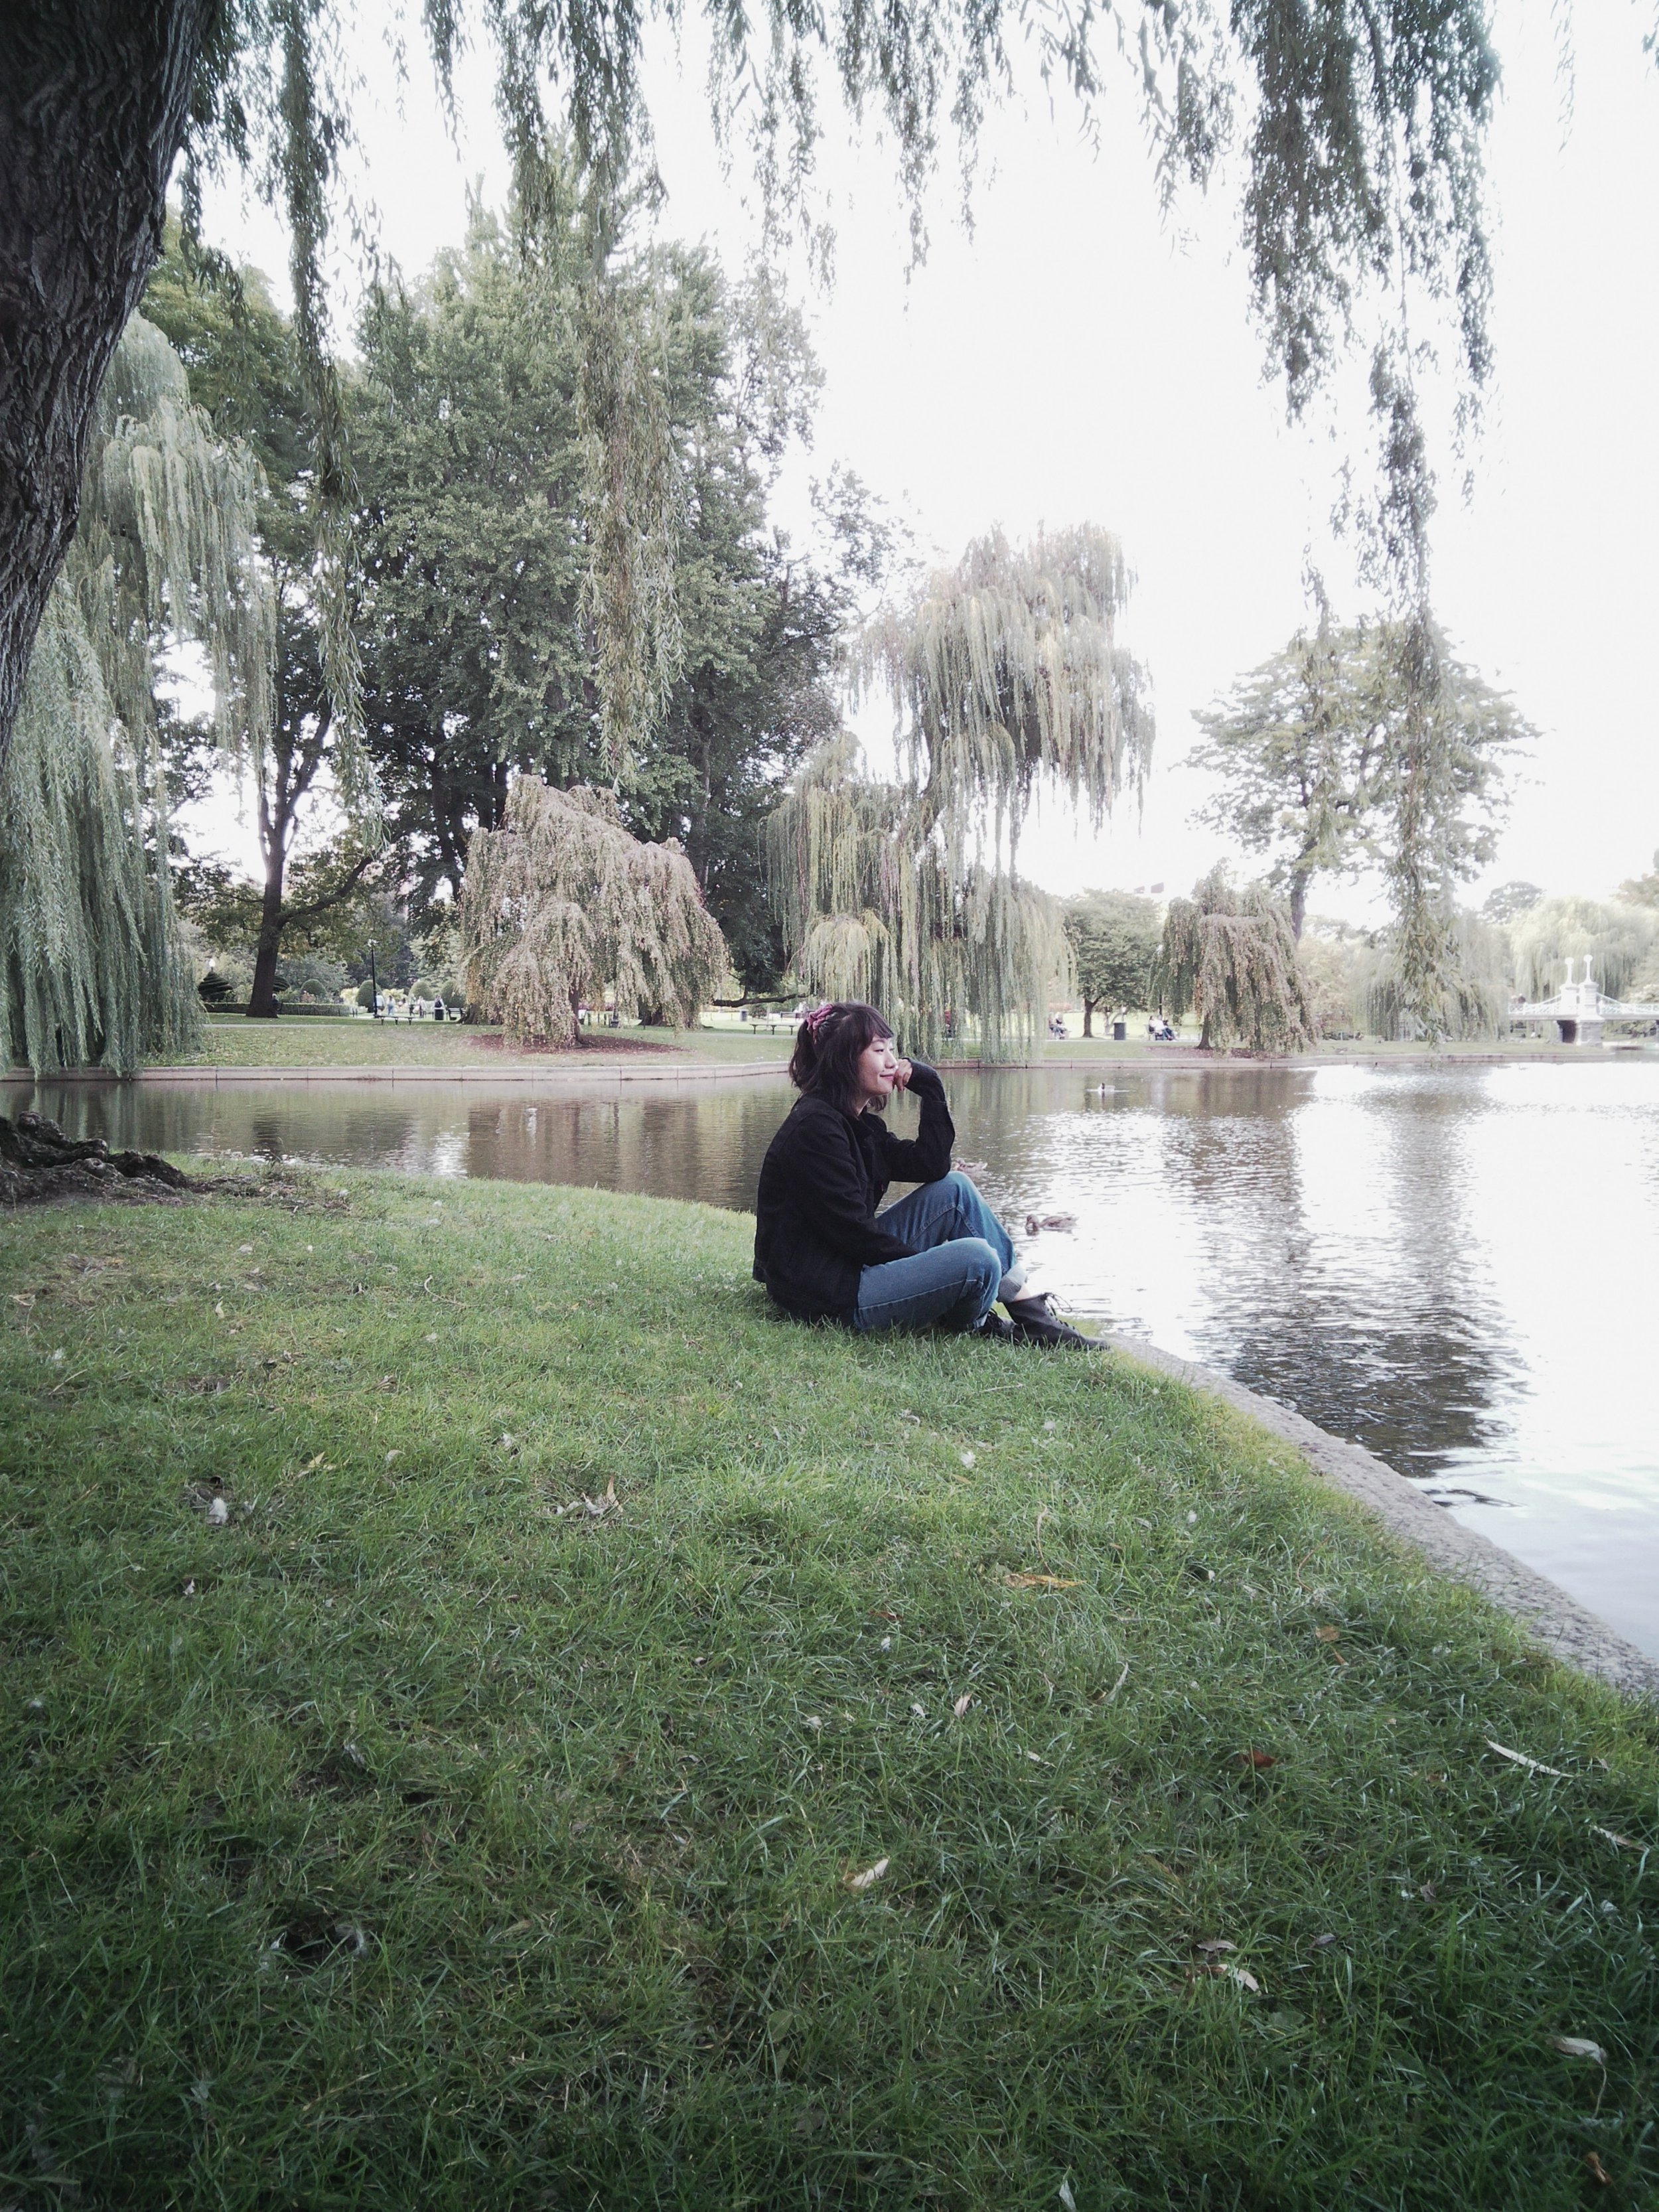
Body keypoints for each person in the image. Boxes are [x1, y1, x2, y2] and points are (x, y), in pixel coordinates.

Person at [752, 999, 1099, 1347]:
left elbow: (932, 1166)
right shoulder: (817, 1130)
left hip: (844, 1263)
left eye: (892, 1049)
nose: (892, 1061)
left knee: (956, 1188)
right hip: (825, 1289)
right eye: (879, 1050)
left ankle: (1033, 1317)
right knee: (977, 1259)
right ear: (842, 1060)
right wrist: (930, 1271)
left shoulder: (856, 1124)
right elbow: (854, 1234)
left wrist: (930, 1086)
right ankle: (975, 1322)